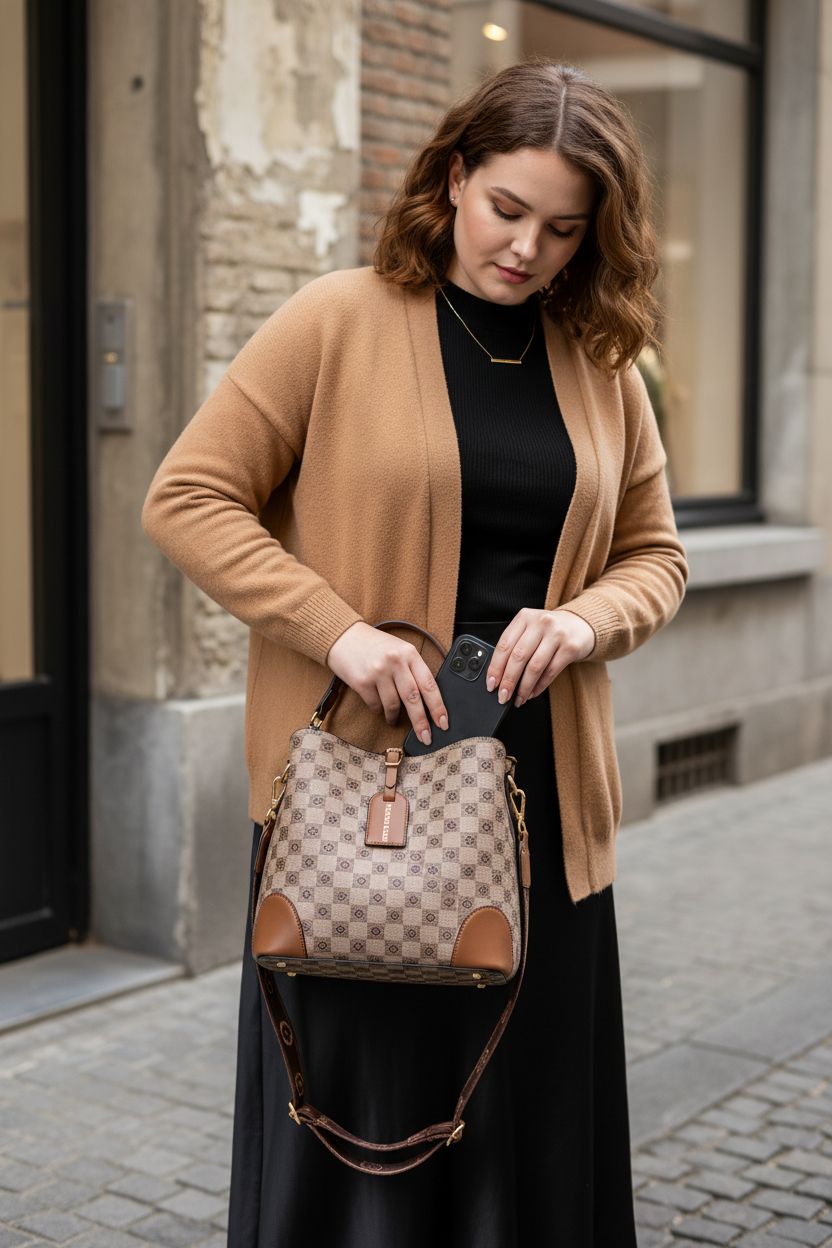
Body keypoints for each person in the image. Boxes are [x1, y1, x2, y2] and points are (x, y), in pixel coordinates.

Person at [141, 55, 689, 1248]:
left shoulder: (602, 366)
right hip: (361, 805)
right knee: (368, 1127)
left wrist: (583, 619)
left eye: (561, 228)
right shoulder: (335, 321)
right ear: (452, 177)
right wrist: (334, 629)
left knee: (527, 1118)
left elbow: (657, 557)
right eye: (506, 209)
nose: (525, 250)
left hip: (542, 804)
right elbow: (188, 497)